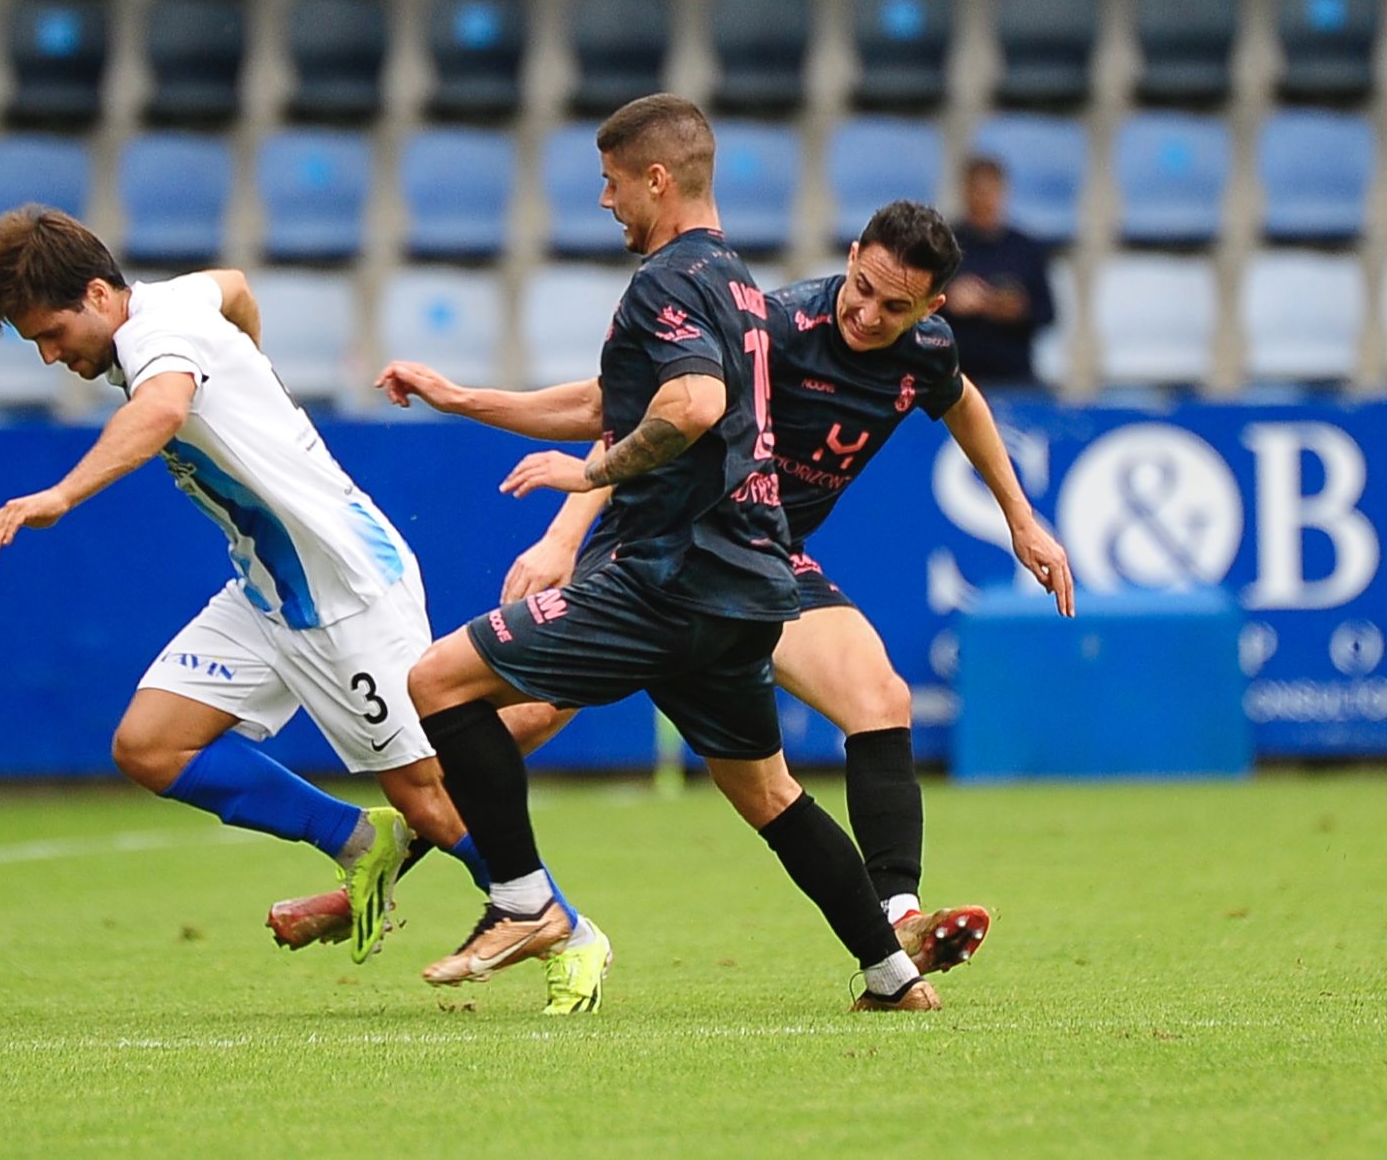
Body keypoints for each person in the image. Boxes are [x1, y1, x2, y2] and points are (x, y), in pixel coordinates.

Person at [269, 201, 1076, 989]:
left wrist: (1021, 519)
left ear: (930, 308)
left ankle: (898, 916)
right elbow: (640, 413)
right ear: (854, 252)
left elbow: (962, 399)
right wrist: (562, 535)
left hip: (761, 561)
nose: (866, 312)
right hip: (663, 544)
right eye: (861, 286)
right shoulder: (780, 326)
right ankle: (376, 872)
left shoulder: (927, 348)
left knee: (879, 695)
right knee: (523, 720)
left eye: (894, 306)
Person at [340, 94, 943, 1012]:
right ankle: (891, 974)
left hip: (668, 577)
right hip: (748, 588)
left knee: (437, 683)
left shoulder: (667, 282)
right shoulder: (738, 282)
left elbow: (690, 406)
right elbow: (609, 403)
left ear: (656, 179)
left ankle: (523, 900)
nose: (606, 200)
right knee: (772, 796)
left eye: (614, 183)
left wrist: (588, 484)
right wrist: (465, 400)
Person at [0, 206, 490, 965]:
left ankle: (552, 917)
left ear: (97, 295)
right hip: (268, 589)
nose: (50, 356)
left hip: (341, 586)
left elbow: (163, 408)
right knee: (149, 746)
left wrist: (62, 494)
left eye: (52, 333)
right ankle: (353, 837)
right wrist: (251, 375)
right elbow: (237, 288)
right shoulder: (173, 304)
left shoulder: (156, 338)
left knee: (428, 794)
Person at [939, 155, 1056, 389]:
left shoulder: (1026, 249)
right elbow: (915, 309)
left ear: (1003, 193)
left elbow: (1048, 313)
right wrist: (949, 301)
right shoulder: (941, 244)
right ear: (965, 192)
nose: (984, 200)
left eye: (990, 191)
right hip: (954, 374)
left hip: (1014, 376)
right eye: (978, 191)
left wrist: (1018, 310)